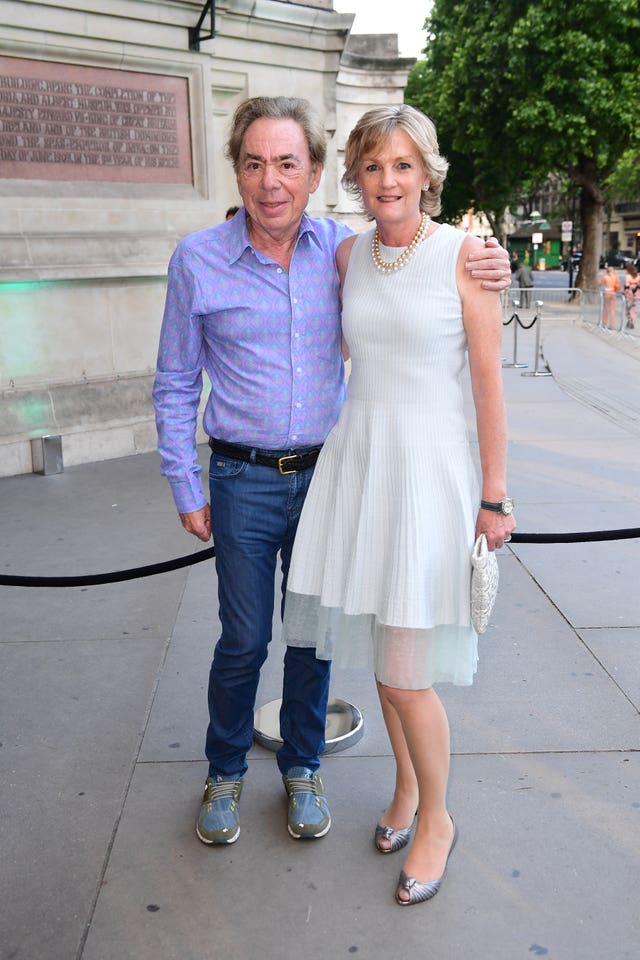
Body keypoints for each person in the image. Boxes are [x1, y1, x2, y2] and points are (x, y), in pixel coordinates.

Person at [153, 96, 512, 849]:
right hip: (247, 479)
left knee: (314, 640)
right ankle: (224, 773)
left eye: (288, 163)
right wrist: (187, 484)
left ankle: (305, 768)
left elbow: (467, 351)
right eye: (255, 163)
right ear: (239, 172)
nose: (271, 180)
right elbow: (175, 381)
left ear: (315, 174)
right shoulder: (212, 259)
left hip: (338, 476)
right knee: (245, 639)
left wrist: (488, 256)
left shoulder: (337, 249)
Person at [282, 103, 516, 905]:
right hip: (364, 469)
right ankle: (409, 792)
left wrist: (494, 494)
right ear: (357, 174)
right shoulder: (345, 253)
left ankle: (441, 817)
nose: (389, 180)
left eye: (404, 165)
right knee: (386, 667)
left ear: (428, 174)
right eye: (375, 166)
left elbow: (489, 385)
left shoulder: (464, 253)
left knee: (409, 675)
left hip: (431, 476)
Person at [598, 265, 621, 330]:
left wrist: (601, 276)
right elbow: (618, 284)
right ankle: (612, 324)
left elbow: (599, 284)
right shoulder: (615, 277)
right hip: (613, 292)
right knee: (612, 309)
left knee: (605, 308)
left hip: (607, 291)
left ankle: (604, 323)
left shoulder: (605, 277)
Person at [623, 263, 639, 329]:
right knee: (633, 308)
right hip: (637, 293)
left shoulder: (628, 276)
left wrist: (625, 292)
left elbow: (626, 286)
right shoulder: (638, 276)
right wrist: (635, 291)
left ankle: (630, 322)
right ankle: (631, 321)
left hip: (629, 293)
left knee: (628, 308)